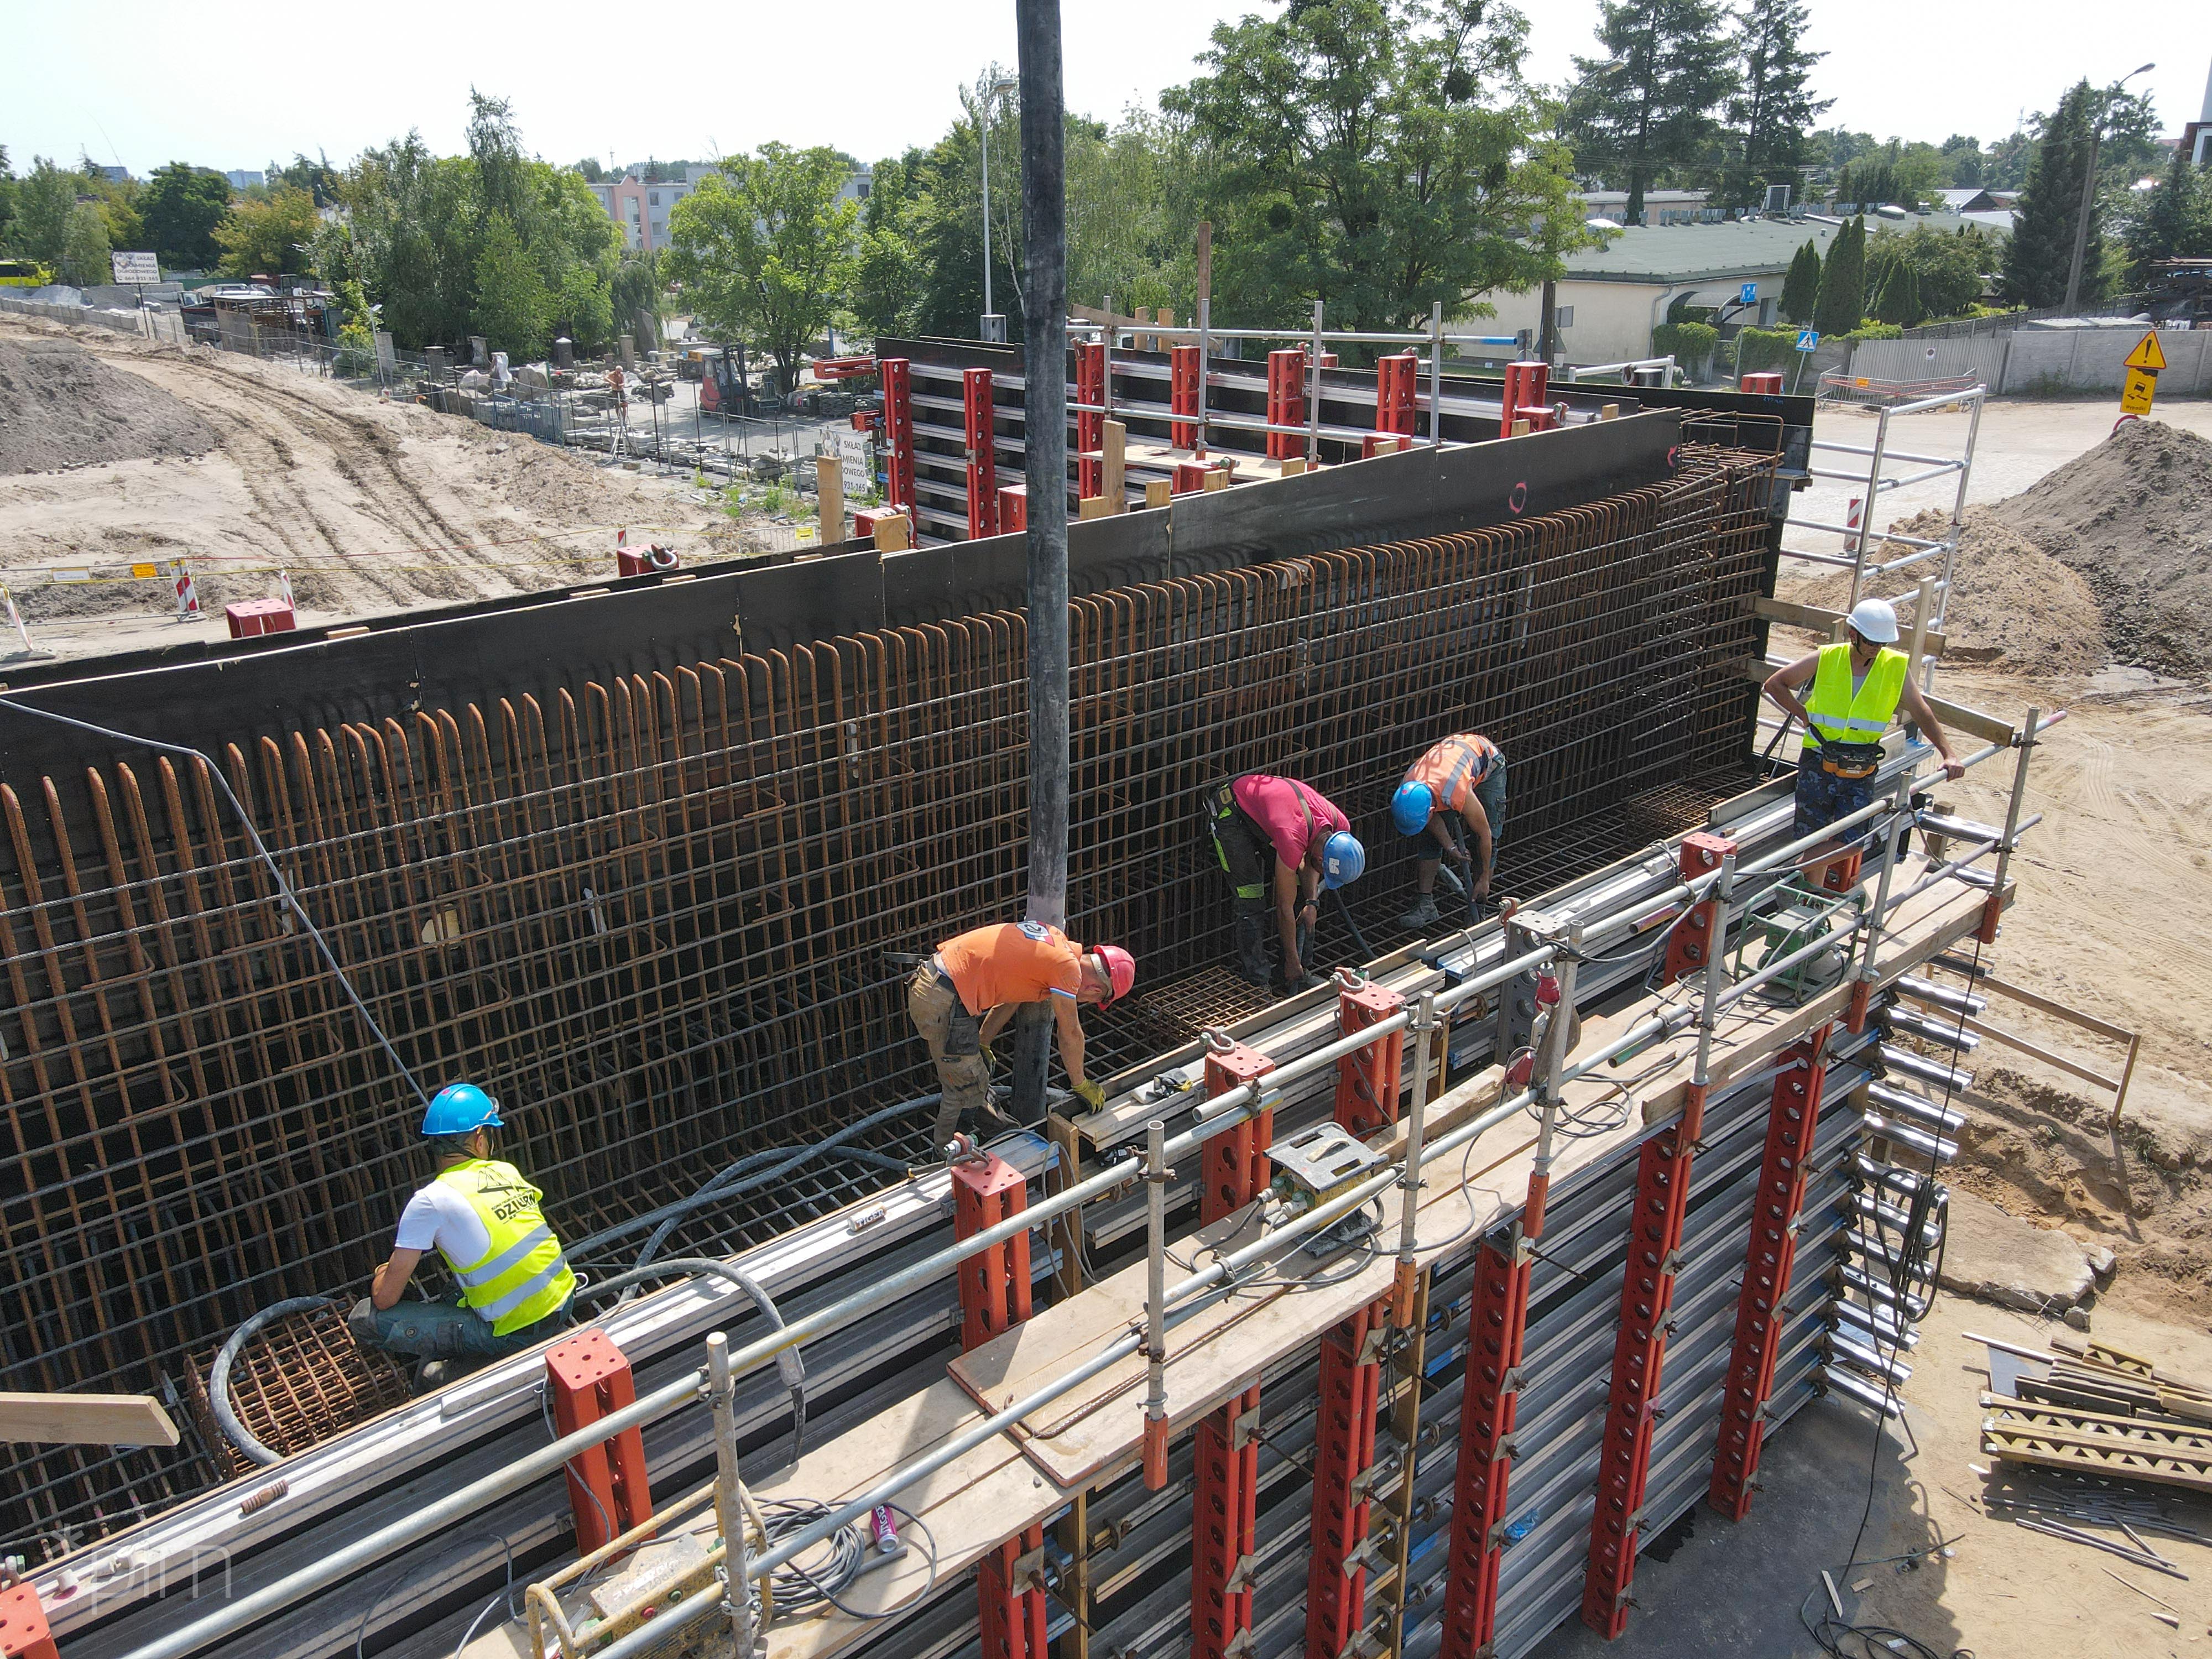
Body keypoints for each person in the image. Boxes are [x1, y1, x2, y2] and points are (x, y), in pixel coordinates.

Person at [352, 1083, 576, 1384]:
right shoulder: (506, 1171)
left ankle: (463, 1367)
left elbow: (384, 1298)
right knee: (452, 1292)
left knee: (365, 1318)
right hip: (564, 1300)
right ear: (481, 1139)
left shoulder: (429, 1201)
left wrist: (383, 1272)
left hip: (514, 1331)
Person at [1762, 597, 1965, 885]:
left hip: (1861, 766)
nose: (1876, 648)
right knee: (1813, 838)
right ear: (1853, 634)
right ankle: (1812, 898)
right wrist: (1803, 715)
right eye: (1871, 641)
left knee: (1855, 841)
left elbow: (1921, 711)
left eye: (1882, 642)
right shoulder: (1828, 657)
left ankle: (1798, 867)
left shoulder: (1894, 666)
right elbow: (1775, 684)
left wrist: (1949, 753)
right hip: (1819, 761)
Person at [908, 922, 1136, 1145]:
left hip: (941, 985)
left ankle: (998, 1138)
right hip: (942, 998)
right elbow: (1070, 1033)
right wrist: (1081, 1084)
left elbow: (1010, 999)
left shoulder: (1055, 939)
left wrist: (983, 1042)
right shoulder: (1067, 969)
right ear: (1096, 990)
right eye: (1096, 1001)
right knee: (963, 1088)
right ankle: (946, 1162)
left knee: (970, 1079)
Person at [1202, 773, 1366, 993]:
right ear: (1320, 859)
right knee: (1251, 897)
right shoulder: (1292, 839)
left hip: (1272, 817)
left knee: (1300, 891)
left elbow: (1310, 866)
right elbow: (1284, 907)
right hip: (1232, 813)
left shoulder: (1339, 826)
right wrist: (1292, 959)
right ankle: (1257, 982)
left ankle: (1297, 971)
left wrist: (1311, 902)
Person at [1390, 733, 1506, 931]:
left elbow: (1484, 834)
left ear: (1429, 809)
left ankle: (1479, 905)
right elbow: (1431, 820)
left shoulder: (1456, 792)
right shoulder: (1409, 786)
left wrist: (1484, 878)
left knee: (1487, 840)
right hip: (1450, 763)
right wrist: (1450, 847)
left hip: (1488, 763)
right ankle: (1425, 904)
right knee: (1430, 839)